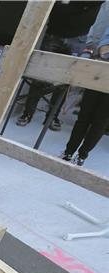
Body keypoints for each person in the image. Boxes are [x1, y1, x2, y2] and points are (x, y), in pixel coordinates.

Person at [16, 1, 103, 131]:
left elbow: (91, 10)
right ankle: (28, 113)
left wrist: (70, 4)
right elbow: (54, 8)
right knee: (39, 76)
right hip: (54, 33)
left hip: (78, 38)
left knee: (64, 80)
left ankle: (52, 116)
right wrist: (80, 6)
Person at [59, 27, 109, 166]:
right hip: (100, 71)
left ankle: (82, 155)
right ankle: (69, 151)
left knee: (101, 121)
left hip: (101, 68)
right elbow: (103, 47)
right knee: (84, 116)